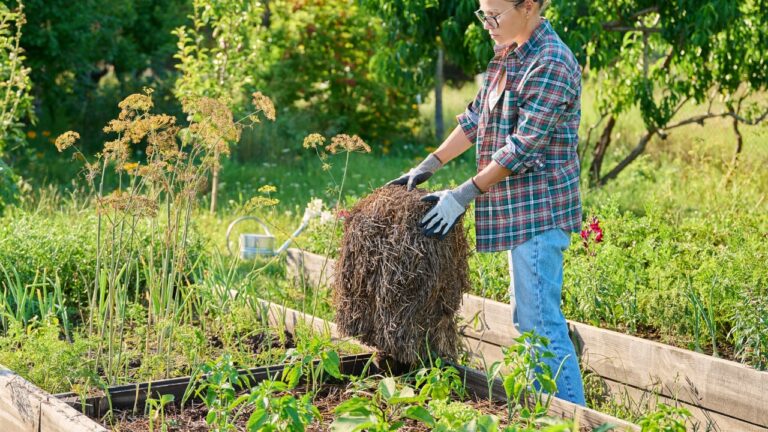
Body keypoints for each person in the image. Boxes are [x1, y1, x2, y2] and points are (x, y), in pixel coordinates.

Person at [388, 0, 585, 405]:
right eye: (483, 14)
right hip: (519, 211)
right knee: (529, 319)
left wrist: (462, 195)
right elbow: (477, 117)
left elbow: (521, 148)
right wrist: (430, 164)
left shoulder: (550, 62)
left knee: (541, 324)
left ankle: (577, 419)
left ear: (528, 6)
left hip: (540, 211)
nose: (486, 24)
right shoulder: (510, 53)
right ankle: (543, 410)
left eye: (494, 15)